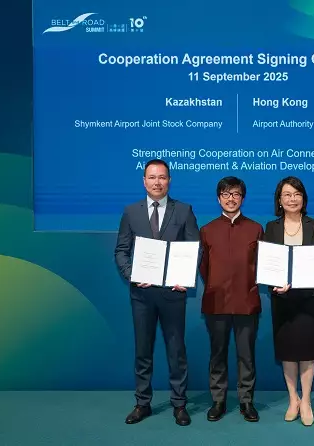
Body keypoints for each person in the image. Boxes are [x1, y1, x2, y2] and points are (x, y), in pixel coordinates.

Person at [114, 159, 199, 426]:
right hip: (142, 295)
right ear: (144, 181)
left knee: (176, 350)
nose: (157, 182)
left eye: (162, 177)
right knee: (143, 350)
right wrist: (132, 274)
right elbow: (121, 250)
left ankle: (179, 404)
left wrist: (185, 277)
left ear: (169, 180)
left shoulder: (184, 210)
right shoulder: (131, 212)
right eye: (152, 177)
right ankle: (142, 403)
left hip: (173, 293)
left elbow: (195, 249)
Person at [262, 176, 314, 427]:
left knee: (307, 352)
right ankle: (293, 399)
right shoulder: (271, 227)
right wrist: (273, 283)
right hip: (282, 299)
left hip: (309, 299)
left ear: (304, 198)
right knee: (288, 352)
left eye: (297, 194)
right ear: (279, 200)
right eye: (287, 195)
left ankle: (307, 400)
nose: (292, 199)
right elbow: (267, 263)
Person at [198, 176, 264, 422]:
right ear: (218, 199)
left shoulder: (256, 229)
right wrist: (216, 285)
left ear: (242, 198)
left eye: (236, 194)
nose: (231, 199)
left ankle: (247, 401)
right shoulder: (207, 230)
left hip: (247, 302)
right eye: (225, 194)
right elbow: (203, 267)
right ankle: (218, 400)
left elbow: (263, 265)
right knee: (218, 353)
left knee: (246, 354)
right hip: (216, 302)